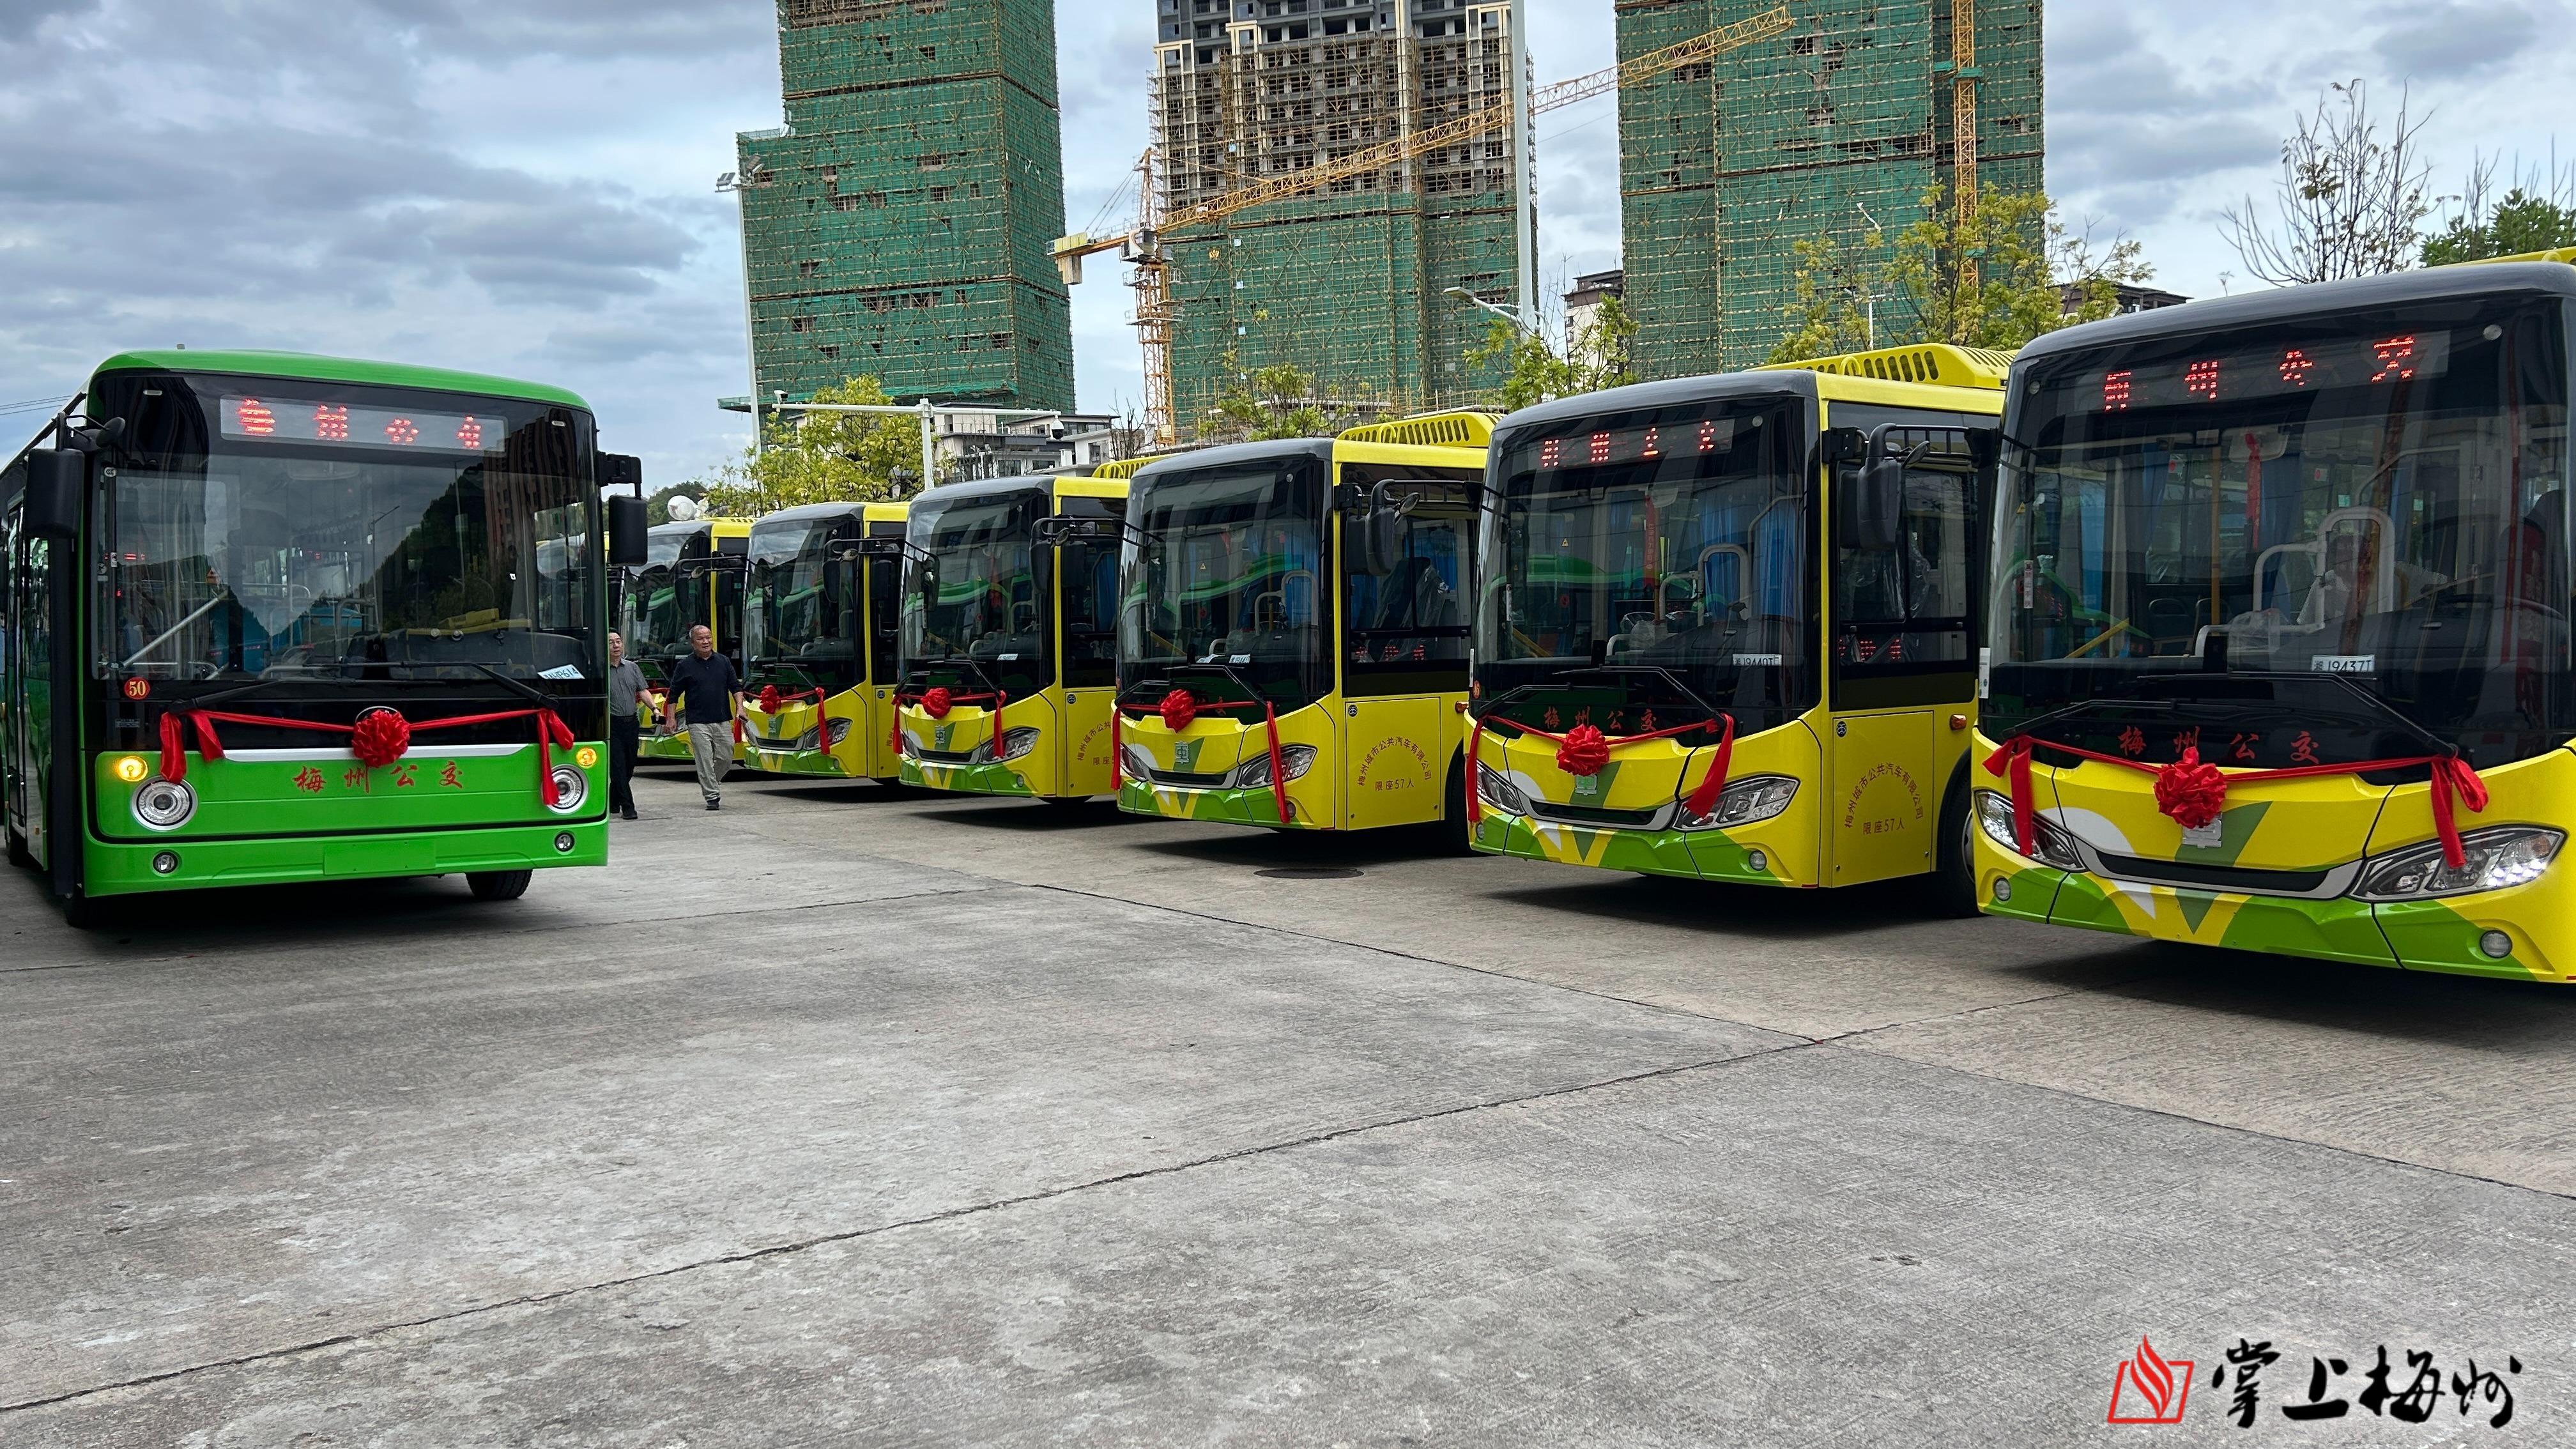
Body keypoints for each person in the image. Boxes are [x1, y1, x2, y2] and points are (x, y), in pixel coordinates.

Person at [661, 624, 741, 810]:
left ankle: (709, 780)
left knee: (726, 757)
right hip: (697, 722)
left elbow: (735, 687)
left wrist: (740, 707)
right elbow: (673, 694)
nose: (706, 642)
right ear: (692, 643)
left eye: (708, 637)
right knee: (704, 759)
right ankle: (712, 796)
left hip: (722, 718)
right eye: (701, 639)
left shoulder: (723, 661)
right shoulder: (684, 666)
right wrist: (671, 719)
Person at [606, 631, 649, 820]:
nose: (616, 646)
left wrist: (655, 709)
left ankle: (613, 800)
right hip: (612, 724)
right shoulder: (601, 670)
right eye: (611, 643)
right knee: (618, 766)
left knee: (630, 765)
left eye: (618, 641)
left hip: (631, 723)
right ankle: (628, 807)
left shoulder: (632, 668)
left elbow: (643, 691)